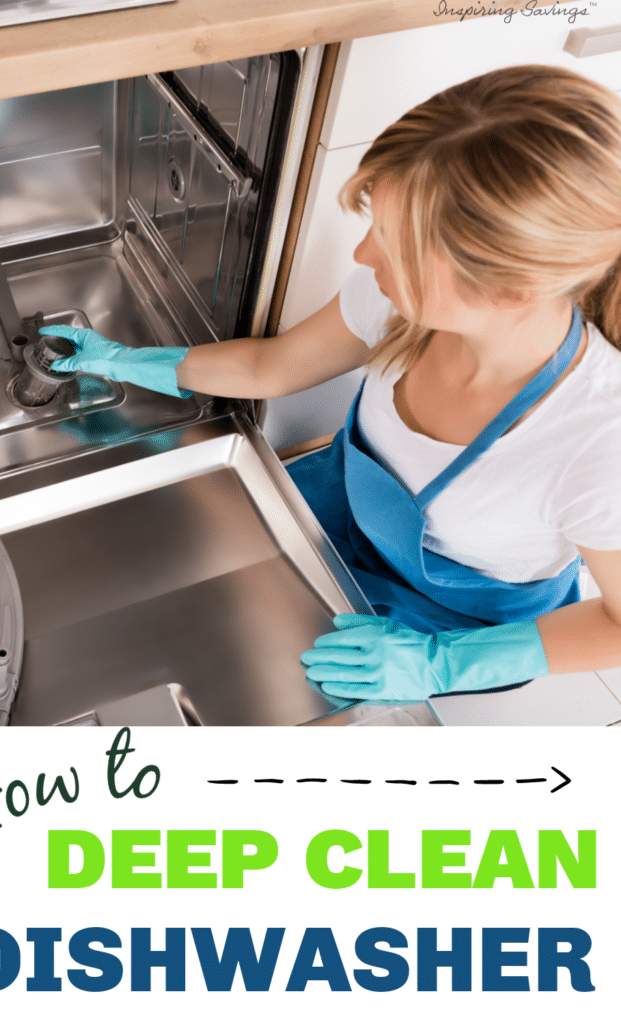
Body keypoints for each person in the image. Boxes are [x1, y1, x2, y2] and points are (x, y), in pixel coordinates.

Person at [42, 64, 621, 705]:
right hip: (337, 518)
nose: (364, 255)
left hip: (451, 626)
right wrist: (130, 361)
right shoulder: (395, 302)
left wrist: (440, 664)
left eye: (395, 244)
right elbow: (273, 367)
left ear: (509, 286)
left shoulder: (600, 441)